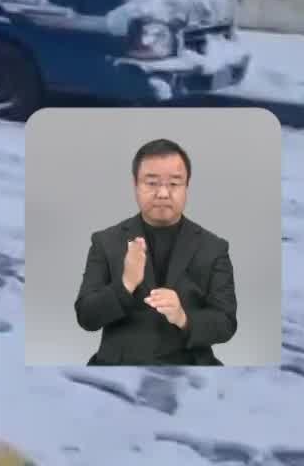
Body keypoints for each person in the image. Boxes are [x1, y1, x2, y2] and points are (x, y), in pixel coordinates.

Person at [73, 138, 237, 365]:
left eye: (174, 183)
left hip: (189, 367)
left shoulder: (214, 247)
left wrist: (183, 318)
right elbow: (86, 317)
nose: (163, 193)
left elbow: (226, 323)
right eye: (151, 183)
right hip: (119, 367)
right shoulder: (105, 241)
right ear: (135, 184)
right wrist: (126, 285)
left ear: (187, 185)